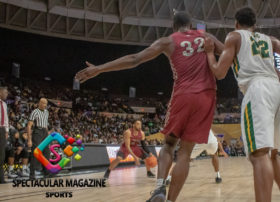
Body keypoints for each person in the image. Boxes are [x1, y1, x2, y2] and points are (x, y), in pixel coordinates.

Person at [75, 11, 223, 202]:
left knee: (169, 145)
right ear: (191, 25)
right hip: (207, 96)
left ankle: (160, 189)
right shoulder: (206, 37)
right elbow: (230, 51)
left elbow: (134, 59)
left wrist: (99, 68)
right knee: (185, 153)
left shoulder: (168, 41)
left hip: (183, 94)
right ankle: (170, 200)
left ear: (173, 26)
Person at [204, 7, 280, 202]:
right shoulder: (269, 39)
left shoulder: (233, 36)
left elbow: (219, 72)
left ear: (236, 23)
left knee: (259, 155)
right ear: (255, 25)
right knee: (274, 155)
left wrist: (209, 53)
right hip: (279, 92)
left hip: (258, 91)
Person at [27, 98, 50, 179]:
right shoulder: (35, 111)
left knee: (47, 152)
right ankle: (32, 174)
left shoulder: (47, 112)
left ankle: (46, 173)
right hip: (38, 132)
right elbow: (29, 125)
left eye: (46, 103)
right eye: (43, 103)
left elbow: (46, 125)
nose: (45, 105)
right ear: (39, 103)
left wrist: (48, 135)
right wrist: (29, 139)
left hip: (44, 132)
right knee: (36, 152)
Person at [0, 86, 9, 184]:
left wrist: (6, 131)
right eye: (5, 93)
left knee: (1, 155)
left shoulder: (4, 105)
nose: (7, 94)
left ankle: (1, 178)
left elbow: (6, 119)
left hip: (2, 130)